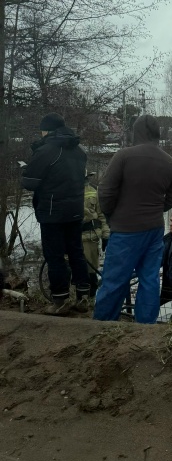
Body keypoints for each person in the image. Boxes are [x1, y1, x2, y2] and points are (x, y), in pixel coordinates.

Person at [93, 114, 172, 324]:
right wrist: (154, 209)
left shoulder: (123, 156)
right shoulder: (170, 162)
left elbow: (105, 192)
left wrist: (111, 216)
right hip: (154, 230)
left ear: (136, 133)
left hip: (125, 230)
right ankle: (145, 328)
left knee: (115, 279)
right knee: (149, 279)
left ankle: (102, 326)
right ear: (157, 135)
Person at [21, 112, 91, 315]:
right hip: (76, 210)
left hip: (52, 212)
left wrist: (26, 168)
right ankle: (83, 296)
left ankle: (59, 300)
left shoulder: (47, 150)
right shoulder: (79, 150)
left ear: (47, 129)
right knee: (76, 252)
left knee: (55, 256)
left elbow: (30, 182)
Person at [82, 172, 110, 298]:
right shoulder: (66, 190)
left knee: (91, 272)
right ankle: (75, 299)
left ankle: (89, 301)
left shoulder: (94, 191)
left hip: (91, 239)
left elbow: (102, 216)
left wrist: (106, 236)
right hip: (72, 238)